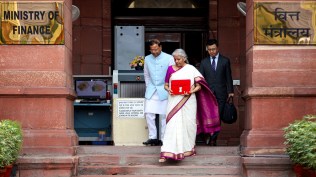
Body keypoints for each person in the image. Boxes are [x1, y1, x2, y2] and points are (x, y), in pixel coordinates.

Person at [159, 49, 220, 162]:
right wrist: (169, 90)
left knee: (189, 124)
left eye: (178, 59)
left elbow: (199, 86)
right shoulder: (170, 69)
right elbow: (166, 85)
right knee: (172, 124)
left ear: (184, 58)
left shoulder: (191, 69)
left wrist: (191, 91)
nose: (176, 61)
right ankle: (168, 151)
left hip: (188, 100)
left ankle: (187, 149)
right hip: (174, 100)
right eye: (175, 59)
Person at [199, 39, 234, 146]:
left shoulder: (225, 61)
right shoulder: (204, 62)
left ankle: (213, 137)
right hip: (208, 94)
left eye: (213, 49)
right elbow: (201, 78)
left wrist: (230, 91)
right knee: (209, 115)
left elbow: (229, 77)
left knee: (218, 115)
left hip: (221, 93)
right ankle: (208, 134)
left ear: (217, 48)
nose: (212, 51)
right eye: (209, 50)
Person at [143, 39, 175, 146]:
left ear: (160, 47)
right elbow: (146, 75)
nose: (154, 52)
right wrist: (148, 87)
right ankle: (152, 137)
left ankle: (163, 138)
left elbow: (172, 75)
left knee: (164, 116)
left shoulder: (169, 58)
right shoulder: (147, 59)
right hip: (152, 90)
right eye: (152, 50)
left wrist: (170, 88)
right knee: (148, 113)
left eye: (156, 49)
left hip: (165, 89)